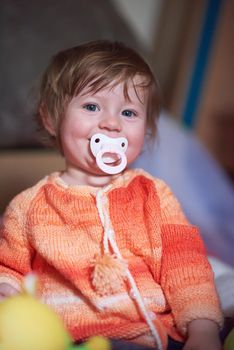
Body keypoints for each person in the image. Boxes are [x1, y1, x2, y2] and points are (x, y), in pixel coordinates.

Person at [0, 40, 223, 350]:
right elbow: (8, 269)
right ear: (51, 118)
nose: (111, 123)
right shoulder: (29, 207)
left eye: (129, 112)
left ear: (144, 132)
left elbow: (186, 266)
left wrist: (203, 330)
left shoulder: (153, 195)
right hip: (73, 337)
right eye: (92, 106)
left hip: (153, 332)